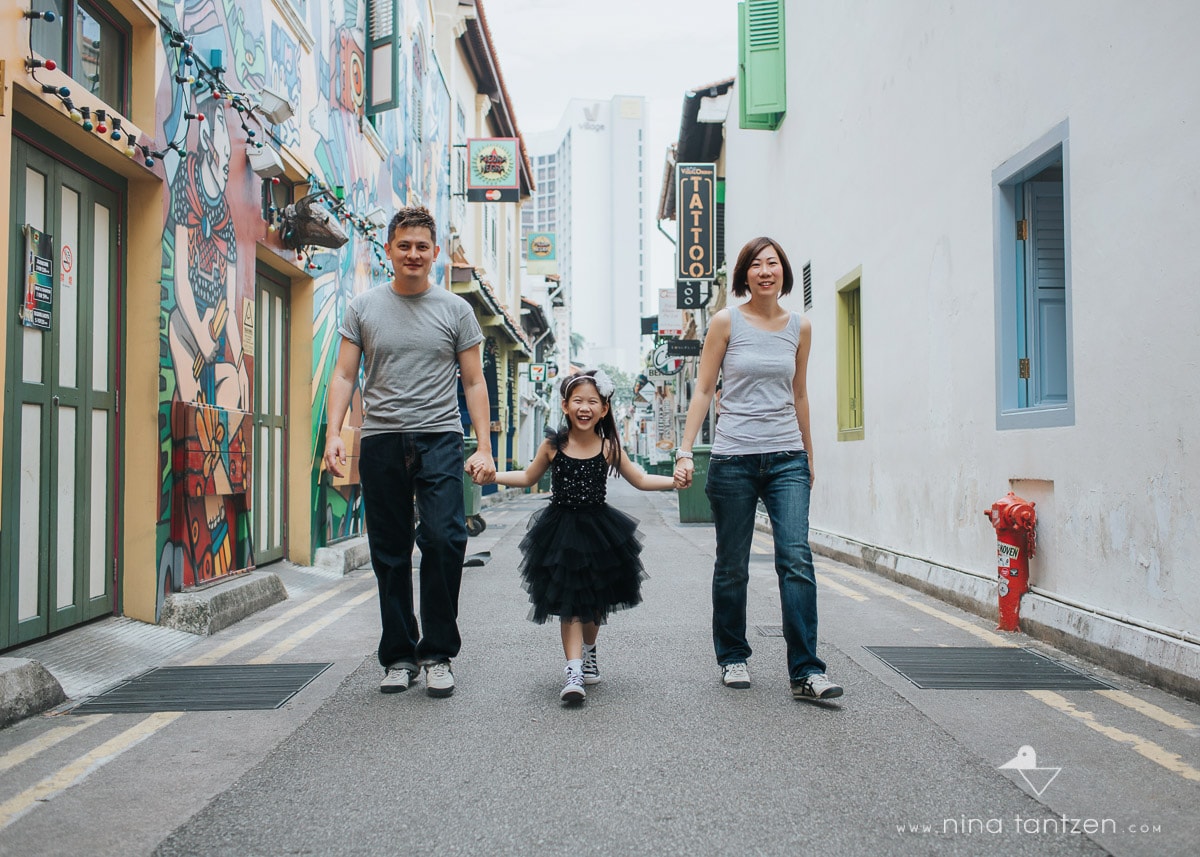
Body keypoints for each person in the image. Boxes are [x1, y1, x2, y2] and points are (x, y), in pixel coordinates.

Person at [324, 206, 495, 698]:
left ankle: (437, 652)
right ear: (389, 251)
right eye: (404, 246)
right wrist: (336, 433)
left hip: (439, 436)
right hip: (380, 438)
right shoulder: (363, 308)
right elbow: (343, 374)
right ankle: (400, 655)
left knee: (444, 539)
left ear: (435, 253)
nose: (413, 254)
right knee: (390, 551)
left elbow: (474, 381)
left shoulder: (456, 311)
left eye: (422, 247)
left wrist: (483, 446)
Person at [674, 236, 843, 701]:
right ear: (744, 275)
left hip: (786, 455)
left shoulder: (800, 327)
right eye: (755, 265)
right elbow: (705, 390)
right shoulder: (725, 322)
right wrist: (686, 449)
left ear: (783, 272)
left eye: (772, 263)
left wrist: (809, 455)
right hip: (733, 459)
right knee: (732, 566)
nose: (764, 271)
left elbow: (800, 394)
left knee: (796, 559)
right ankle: (732, 657)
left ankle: (807, 671)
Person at [478, 369, 675, 704]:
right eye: (578, 400)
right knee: (569, 603)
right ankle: (573, 671)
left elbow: (640, 479)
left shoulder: (609, 446)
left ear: (604, 409)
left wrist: (675, 483)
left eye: (592, 402)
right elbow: (528, 476)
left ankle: (589, 649)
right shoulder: (554, 445)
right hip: (560, 530)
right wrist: (492, 475)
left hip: (600, 532)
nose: (585, 407)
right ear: (566, 405)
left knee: (594, 606)